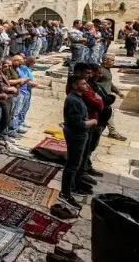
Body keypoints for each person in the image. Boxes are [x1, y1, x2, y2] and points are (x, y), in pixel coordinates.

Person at [60, 75, 99, 209]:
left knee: (75, 163)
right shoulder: (73, 100)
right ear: (75, 85)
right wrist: (92, 122)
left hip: (79, 135)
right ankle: (65, 193)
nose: (87, 85)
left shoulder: (77, 98)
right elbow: (77, 123)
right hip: (76, 135)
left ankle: (72, 187)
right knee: (72, 165)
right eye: (83, 83)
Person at [96, 54, 127, 140]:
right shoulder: (100, 71)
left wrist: (118, 92)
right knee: (108, 114)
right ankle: (112, 132)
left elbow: (109, 83)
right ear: (105, 60)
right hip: (101, 96)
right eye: (112, 60)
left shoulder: (107, 70)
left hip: (106, 96)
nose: (114, 62)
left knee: (106, 115)